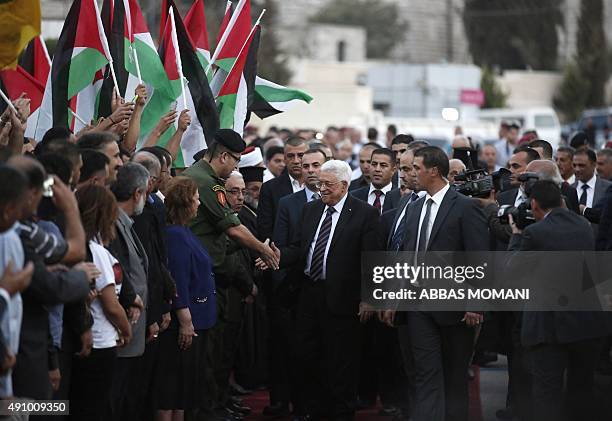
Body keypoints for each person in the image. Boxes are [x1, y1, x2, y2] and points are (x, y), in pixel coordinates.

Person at [268, 160, 382, 420]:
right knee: (307, 357)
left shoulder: (364, 214)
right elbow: (301, 248)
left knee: (341, 363)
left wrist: (369, 299)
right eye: (319, 184)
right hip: (309, 295)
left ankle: (340, 412)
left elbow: (371, 258)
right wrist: (279, 255)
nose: (322, 189)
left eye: (327, 185)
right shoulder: (311, 210)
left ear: (344, 185)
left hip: (344, 299)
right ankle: (312, 410)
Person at [385, 146, 489, 421]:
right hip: (418, 306)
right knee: (425, 375)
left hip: (455, 309)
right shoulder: (416, 206)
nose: (411, 174)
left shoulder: (466, 207)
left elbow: (479, 257)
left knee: (454, 379)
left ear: (433, 170)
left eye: (416, 168)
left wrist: (476, 304)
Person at [182, 129, 278, 420]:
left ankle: (211, 405)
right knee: (209, 351)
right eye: (235, 162)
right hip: (202, 274)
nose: (235, 168)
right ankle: (205, 410)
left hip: (206, 272)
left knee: (214, 350)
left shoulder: (202, 176)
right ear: (223, 156)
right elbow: (233, 228)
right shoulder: (206, 183)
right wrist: (264, 250)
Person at [508, 180, 610, 421]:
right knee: (580, 392)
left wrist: (516, 235)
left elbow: (512, 271)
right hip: (586, 325)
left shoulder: (535, 232)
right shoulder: (584, 225)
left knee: (547, 394)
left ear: (534, 204)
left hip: (549, 328)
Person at [264, 149, 327, 417]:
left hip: (330, 293)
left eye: (317, 165)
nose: (311, 169)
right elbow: (279, 248)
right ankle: (300, 406)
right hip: (295, 293)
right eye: (306, 165)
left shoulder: (348, 202)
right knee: (297, 353)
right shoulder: (289, 203)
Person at [153, 177, 216, 421]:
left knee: (183, 387)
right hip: (185, 323)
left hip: (198, 318)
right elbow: (177, 279)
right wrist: (186, 321)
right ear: (186, 202)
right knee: (172, 384)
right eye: (197, 198)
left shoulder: (184, 231)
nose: (200, 203)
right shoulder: (175, 235)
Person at [70, 185, 132, 420]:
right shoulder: (94, 250)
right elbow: (111, 304)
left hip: (99, 338)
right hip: (100, 340)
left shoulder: (92, 248)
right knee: (93, 406)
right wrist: (126, 329)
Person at [108, 163, 150, 420]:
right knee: (112, 398)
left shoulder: (126, 223)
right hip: (118, 329)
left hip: (130, 330)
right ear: (137, 194)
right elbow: (117, 275)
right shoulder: (112, 224)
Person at [258, 137, 308, 242]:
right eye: (290, 156)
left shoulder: (318, 185)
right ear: (284, 159)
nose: (296, 161)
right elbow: (265, 228)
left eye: (300, 155)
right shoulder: (270, 188)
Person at [352, 148, 401, 214]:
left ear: (393, 170)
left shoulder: (401, 198)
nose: (377, 169)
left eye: (383, 165)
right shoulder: (354, 197)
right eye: (374, 164)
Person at [572, 148, 612, 225]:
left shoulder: (608, 188)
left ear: (594, 165)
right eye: (574, 165)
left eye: (581, 165)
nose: (577, 169)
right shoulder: (568, 189)